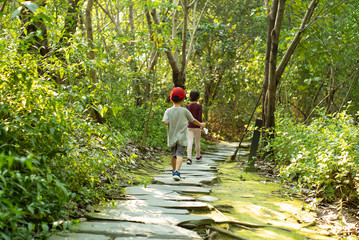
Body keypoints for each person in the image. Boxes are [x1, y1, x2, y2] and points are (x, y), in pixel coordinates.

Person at [163, 87, 206, 181]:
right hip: (182, 136)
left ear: (171, 99)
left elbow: (165, 122)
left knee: (173, 154)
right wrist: (201, 124)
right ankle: (177, 172)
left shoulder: (168, 111)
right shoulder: (185, 111)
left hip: (172, 136)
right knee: (180, 154)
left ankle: (174, 170)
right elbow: (193, 120)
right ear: (183, 99)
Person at [186, 91, 204, 164]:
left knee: (189, 142)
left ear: (190, 97)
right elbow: (199, 117)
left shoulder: (188, 106)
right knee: (197, 142)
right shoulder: (199, 106)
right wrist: (201, 126)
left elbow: (187, 117)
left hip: (189, 126)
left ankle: (189, 158)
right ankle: (198, 156)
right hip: (197, 127)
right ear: (198, 98)